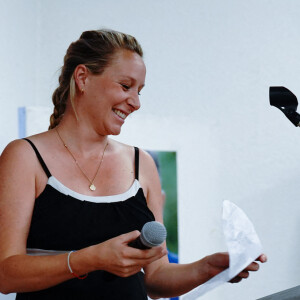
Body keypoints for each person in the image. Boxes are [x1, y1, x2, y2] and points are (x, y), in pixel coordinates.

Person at [0, 29, 267, 299]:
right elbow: (6, 274)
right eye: (126, 86)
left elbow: (157, 278)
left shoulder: (142, 164)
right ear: (83, 78)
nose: (136, 102)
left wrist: (208, 268)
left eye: (140, 91)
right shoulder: (25, 156)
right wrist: (89, 259)